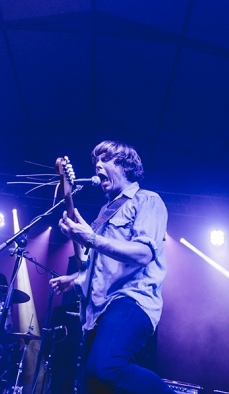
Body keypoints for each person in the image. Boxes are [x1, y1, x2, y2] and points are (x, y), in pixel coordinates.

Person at [49, 140, 173, 393]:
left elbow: (142, 254)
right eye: (96, 161)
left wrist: (91, 238)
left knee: (106, 368)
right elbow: (97, 267)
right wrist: (74, 279)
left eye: (105, 160)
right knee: (95, 385)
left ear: (125, 165)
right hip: (97, 311)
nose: (97, 165)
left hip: (131, 300)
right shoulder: (106, 212)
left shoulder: (147, 200)